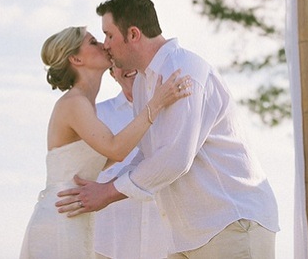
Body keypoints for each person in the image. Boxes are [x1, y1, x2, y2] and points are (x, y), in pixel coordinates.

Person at [57, 0, 279, 258]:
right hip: (185, 237)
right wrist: (102, 185)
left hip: (231, 223)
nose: (106, 45)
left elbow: (175, 158)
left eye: (110, 35)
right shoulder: (142, 84)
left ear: (134, 34)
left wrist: (107, 193)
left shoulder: (183, 71)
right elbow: (147, 154)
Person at [19, 26, 191, 259]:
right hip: (60, 218)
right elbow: (117, 149)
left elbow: (105, 157)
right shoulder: (74, 103)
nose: (104, 45)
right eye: (93, 42)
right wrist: (157, 102)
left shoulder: (84, 104)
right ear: (76, 58)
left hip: (76, 216)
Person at [94, 66, 170, 259]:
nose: (128, 67)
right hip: (109, 245)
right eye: (119, 62)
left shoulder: (173, 112)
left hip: (164, 245)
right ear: (112, 73)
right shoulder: (96, 115)